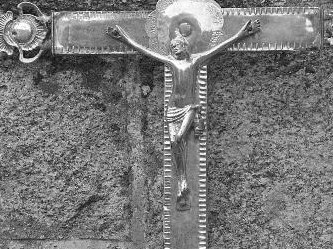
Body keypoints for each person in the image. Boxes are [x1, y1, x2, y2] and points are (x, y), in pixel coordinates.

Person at [107, 17, 260, 210]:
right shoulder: (171, 62)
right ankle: (182, 180)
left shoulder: (195, 61)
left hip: (189, 108)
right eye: (171, 48)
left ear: (184, 46)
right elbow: (146, 51)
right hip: (173, 108)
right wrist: (124, 39)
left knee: (179, 137)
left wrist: (241, 34)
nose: (174, 50)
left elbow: (219, 47)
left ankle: (183, 181)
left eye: (176, 46)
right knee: (173, 142)